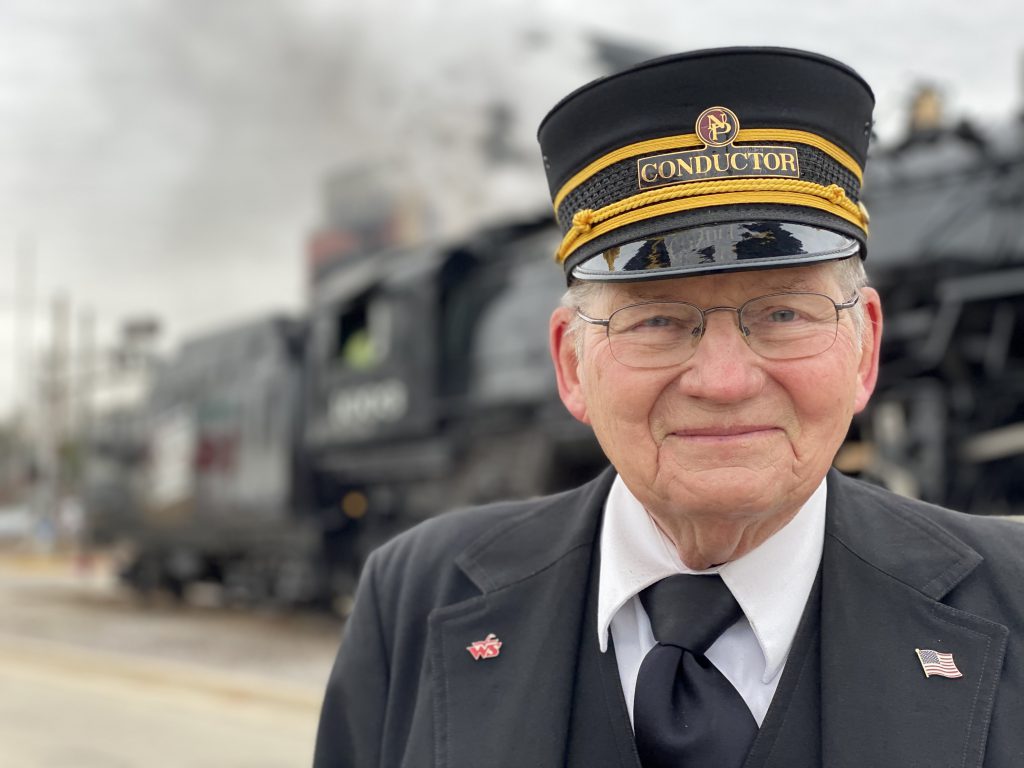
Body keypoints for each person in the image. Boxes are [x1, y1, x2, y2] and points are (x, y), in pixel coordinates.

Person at [314, 48, 1024, 767]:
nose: (723, 381)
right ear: (570, 364)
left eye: (783, 314)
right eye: (656, 320)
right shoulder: (411, 597)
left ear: (866, 346)